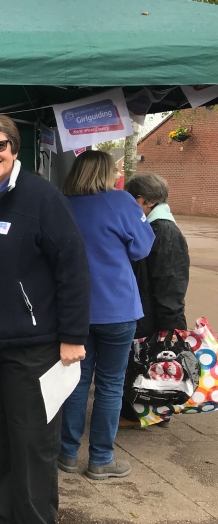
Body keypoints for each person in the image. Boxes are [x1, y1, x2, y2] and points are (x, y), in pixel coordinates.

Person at [0, 113, 90, 524]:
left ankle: (33, 518)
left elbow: (73, 267)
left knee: (31, 443)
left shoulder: (41, 197)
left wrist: (74, 335)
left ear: (13, 148)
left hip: (33, 347)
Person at [58, 151, 154, 480]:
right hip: (117, 308)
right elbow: (141, 248)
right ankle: (100, 458)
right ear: (106, 173)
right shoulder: (121, 201)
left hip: (73, 311)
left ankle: (67, 454)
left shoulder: (61, 203)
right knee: (111, 386)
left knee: (76, 382)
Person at [120, 172, 190, 427]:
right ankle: (155, 411)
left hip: (155, 313)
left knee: (149, 361)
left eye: (133, 199)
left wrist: (170, 321)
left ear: (146, 201)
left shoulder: (162, 231)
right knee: (151, 362)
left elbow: (169, 280)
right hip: (153, 310)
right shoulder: (157, 226)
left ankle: (140, 414)